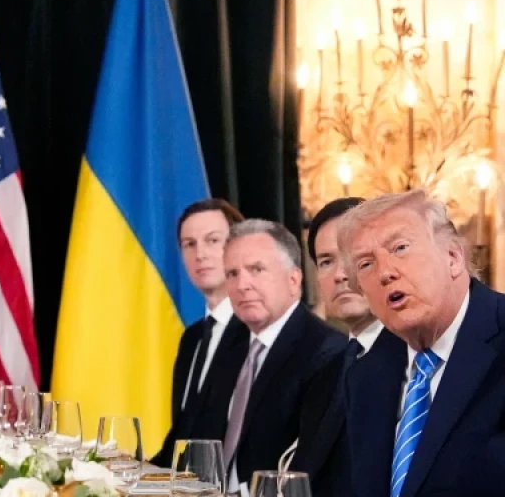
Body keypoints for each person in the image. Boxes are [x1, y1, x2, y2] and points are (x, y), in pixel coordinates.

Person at [342, 190, 505, 497]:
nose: (385, 272)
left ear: (453, 257)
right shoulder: (365, 375)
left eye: (400, 248)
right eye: (366, 264)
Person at [214, 219, 344, 493]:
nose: (242, 285)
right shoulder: (232, 344)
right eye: (232, 274)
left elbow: (306, 470)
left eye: (256, 269)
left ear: (293, 280)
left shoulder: (327, 352)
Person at [289, 197, 385, 497]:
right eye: (326, 261)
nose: (340, 275)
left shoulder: (417, 362)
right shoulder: (327, 368)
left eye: (352, 256)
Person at [153, 199, 250, 467]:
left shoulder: (257, 333)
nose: (200, 254)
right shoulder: (192, 338)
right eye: (189, 244)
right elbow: (182, 436)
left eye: (212, 240)